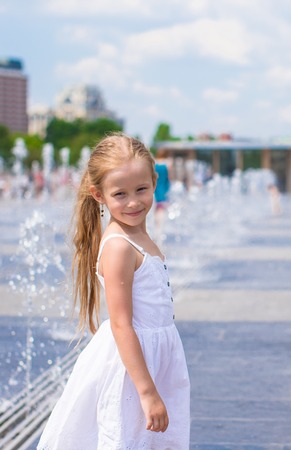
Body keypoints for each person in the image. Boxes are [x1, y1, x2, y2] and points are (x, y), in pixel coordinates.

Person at [38, 133, 190, 449]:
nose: (133, 202)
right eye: (120, 193)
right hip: (132, 366)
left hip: (153, 356)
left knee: (148, 438)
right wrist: (147, 392)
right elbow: (122, 324)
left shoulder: (137, 233)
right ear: (99, 195)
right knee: (126, 436)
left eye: (141, 190)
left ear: (154, 181)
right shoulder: (120, 246)